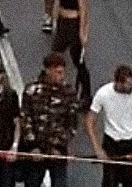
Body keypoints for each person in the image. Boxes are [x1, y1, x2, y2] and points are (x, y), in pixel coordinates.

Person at [17, 53, 78, 187]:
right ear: (47, 70)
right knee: (32, 182)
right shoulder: (32, 90)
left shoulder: (69, 92)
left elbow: (72, 123)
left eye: (62, 72)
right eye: (58, 72)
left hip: (58, 152)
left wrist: (61, 145)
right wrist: (33, 146)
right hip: (36, 151)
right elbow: (25, 119)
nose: (61, 76)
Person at [85, 66, 132, 187]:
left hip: (131, 142)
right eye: (127, 84)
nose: (131, 87)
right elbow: (89, 121)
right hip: (111, 143)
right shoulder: (103, 93)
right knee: (110, 182)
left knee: (131, 183)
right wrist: (97, 149)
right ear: (118, 82)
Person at [48, 0, 91, 101]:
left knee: (78, 60)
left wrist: (83, 32)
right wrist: (54, 21)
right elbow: (57, 2)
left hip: (73, 23)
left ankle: (85, 93)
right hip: (62, 22)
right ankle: (52, 87)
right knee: (54, 57)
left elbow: (83, 9)